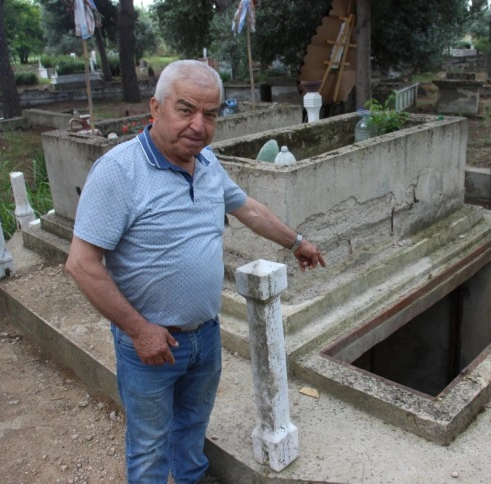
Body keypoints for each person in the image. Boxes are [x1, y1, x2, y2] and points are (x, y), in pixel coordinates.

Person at [65, 59, 326, 484]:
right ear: (156, 108)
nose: (199, 126)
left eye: (211, 114)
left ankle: (190, 477)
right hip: (151, 344)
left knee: (191, 427)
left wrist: (297, 242)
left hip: (205, 335)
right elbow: (81, 263)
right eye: (186, 110)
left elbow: (248, 209)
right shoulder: (119, 171)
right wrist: (139, 331)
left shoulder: (206, 163)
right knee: (149, 446)